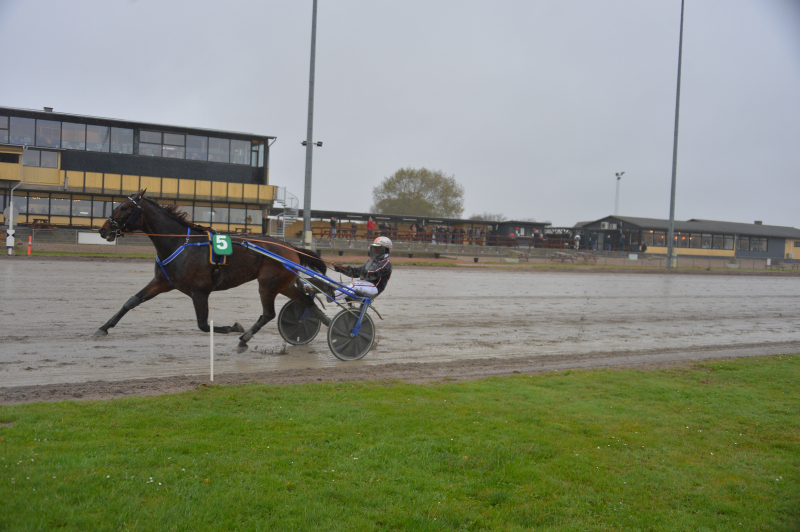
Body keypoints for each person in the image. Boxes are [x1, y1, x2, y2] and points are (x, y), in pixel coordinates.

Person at [332, 236, 393, 301]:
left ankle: (333, 296)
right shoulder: (371, 260)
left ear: (386, 250)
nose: (376, 251)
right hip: (364, 284)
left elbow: (374, 275)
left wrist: (358, 271)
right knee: (341, 284)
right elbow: (356, 274)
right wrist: (341, 269)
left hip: (374, 287)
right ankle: (330, 292)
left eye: (378, 249)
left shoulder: (386, 263)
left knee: (354, 285)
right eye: (375, 249)